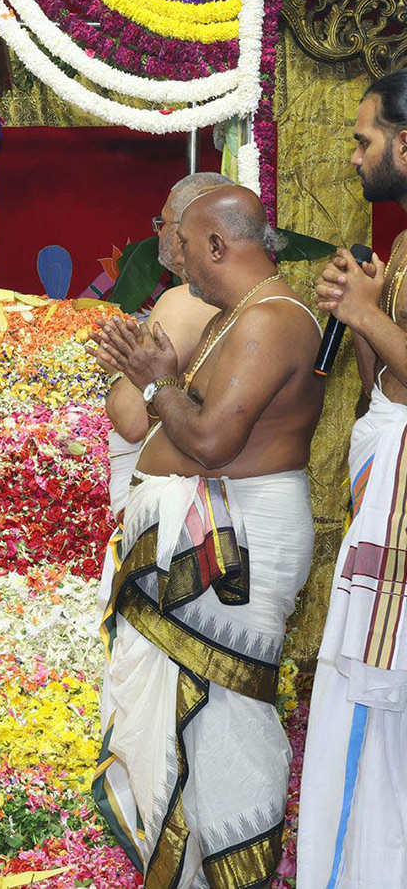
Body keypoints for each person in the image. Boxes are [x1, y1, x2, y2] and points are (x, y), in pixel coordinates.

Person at [92, 185, 324, 887]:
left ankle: (231, 873)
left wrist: (157, 382)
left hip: (232, 553)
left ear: (219, 246)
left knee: (223, 719)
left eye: (185, 246)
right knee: (188, 723)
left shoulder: (273, 321)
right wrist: (156, 379)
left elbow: (215, 441)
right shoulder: (237, 317)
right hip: (207, 538)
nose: (178, 260)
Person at [299, 67, 407, 889]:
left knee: (385, 704)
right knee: (359, 704)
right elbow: (385, 385)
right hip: (388, 465)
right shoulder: (404, 243)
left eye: (364, 138)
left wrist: (368, 312)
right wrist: (363, 313)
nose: (355, 155)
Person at [94, 173, 225, 516]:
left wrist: (116, 369)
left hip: (172, 494)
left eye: (163, 222)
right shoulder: (244, 296)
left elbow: (133, 420)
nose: (158, 232)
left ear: (188, 230)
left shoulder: (182, 300)